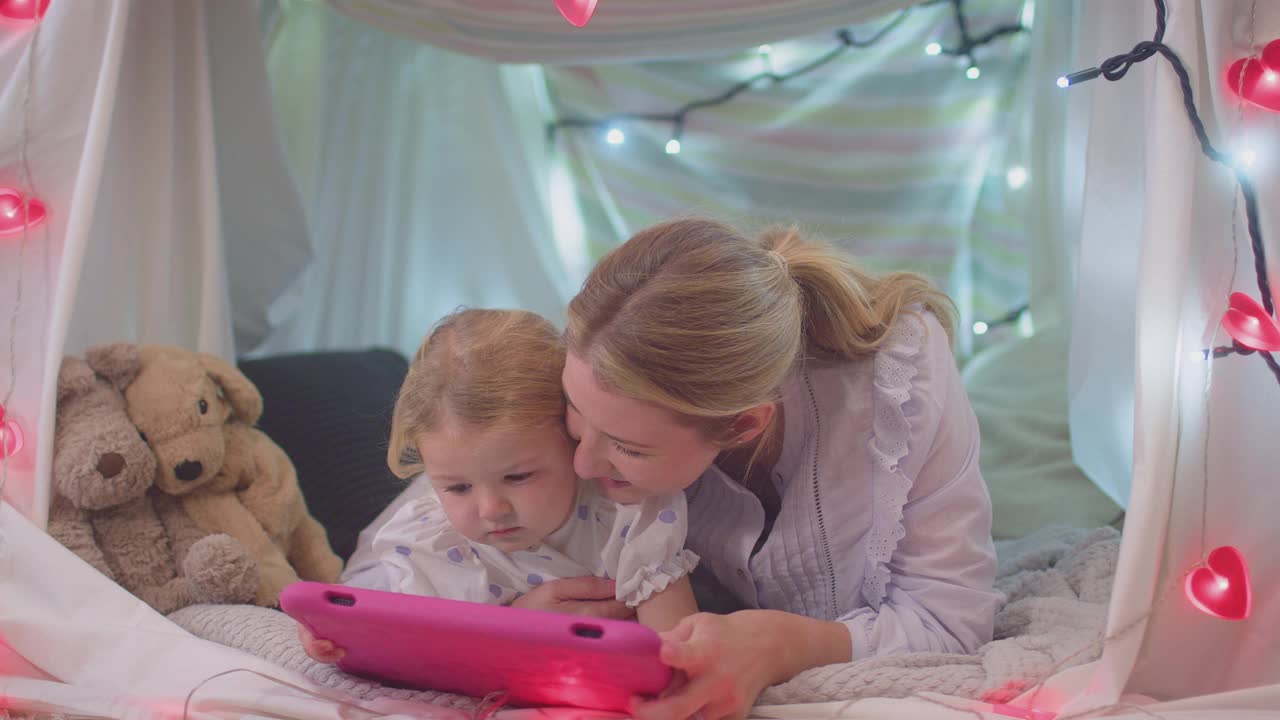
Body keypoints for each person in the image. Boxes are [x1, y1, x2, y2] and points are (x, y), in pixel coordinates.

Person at [521, 218, 1001, 720]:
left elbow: (951, 621)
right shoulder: (598, 367)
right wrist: (518, 613)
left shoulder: (900, 389)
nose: (581, 463)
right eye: (574, 416)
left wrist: (781, 644)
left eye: (630, 448)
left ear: (743, 427)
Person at [300, 309, 699, 663]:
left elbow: (680, 657)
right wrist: (329, 634)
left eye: (518, 477)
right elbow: (356, 615)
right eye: (456, 488)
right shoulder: (430, 542)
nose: (490, 509)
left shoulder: (630, 520)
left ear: (574, 441)